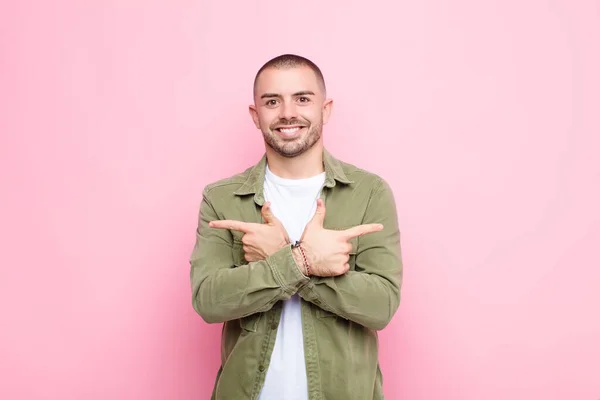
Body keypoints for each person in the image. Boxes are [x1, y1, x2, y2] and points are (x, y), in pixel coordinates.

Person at [189, 54, 403, 400]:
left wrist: (280, 260)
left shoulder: (369, 193)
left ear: (325, 109)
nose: (288, 112)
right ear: (256, 116)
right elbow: (208, 300)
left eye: (302, 99)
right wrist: (302, 261)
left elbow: (381, 306)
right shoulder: (222, 197)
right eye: (272, 101)